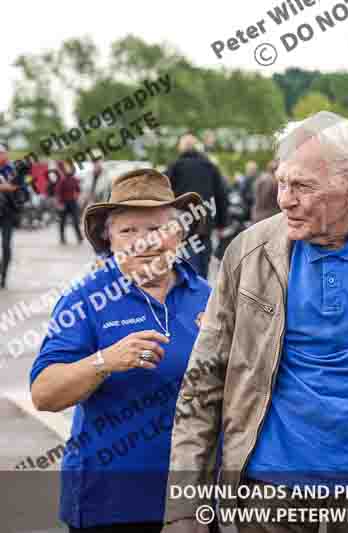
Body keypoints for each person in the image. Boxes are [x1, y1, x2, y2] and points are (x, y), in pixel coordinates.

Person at [163, 111, 348, 533]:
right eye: (281, 182)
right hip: (265, 498)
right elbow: (202, 383)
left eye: (302, 186)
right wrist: (184, 508)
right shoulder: (248, 254)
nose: (284, 199)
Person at [29, 168, 211, 532]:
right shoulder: (84, 300)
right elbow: (44, 394)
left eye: (156, 228)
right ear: (108, 238)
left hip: (193, 502)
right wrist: (105, 361)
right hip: (110, 504)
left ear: (179, 232)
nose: (144, 242)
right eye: (128, 230)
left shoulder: (208, 296)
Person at [166, 133, 229, 277]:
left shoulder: (174, 167)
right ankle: (201, 296)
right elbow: (221, 196)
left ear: (181, 148)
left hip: (180, 227)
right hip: (204, 227)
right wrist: (222, 224)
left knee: (180, 270)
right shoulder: (210, 167)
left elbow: (163, 195)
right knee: (202, 271)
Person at [0, 143, 29, 289]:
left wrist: (10, 188)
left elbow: (23, 190)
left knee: (6, 245)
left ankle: (3, 276)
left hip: (8, 213)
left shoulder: (14, 170)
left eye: (2, 153)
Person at [54, 160, 84, 245]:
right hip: (64, 203)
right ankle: (62, 238)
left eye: (69, 168)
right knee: (62, 222)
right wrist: (59, 203)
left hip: (72, 202)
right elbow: (58, 192)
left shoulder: (74, 179)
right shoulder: (62, 180)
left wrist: (77, 196)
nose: (68, 169)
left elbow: (78, 190)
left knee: (75, 221)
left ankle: (79, 238)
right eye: (67, 168)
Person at [251, 159, 280, 223]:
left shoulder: (261, 178)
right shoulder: (272, 181)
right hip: (268, 215)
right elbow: (264, 198)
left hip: (259, 214)